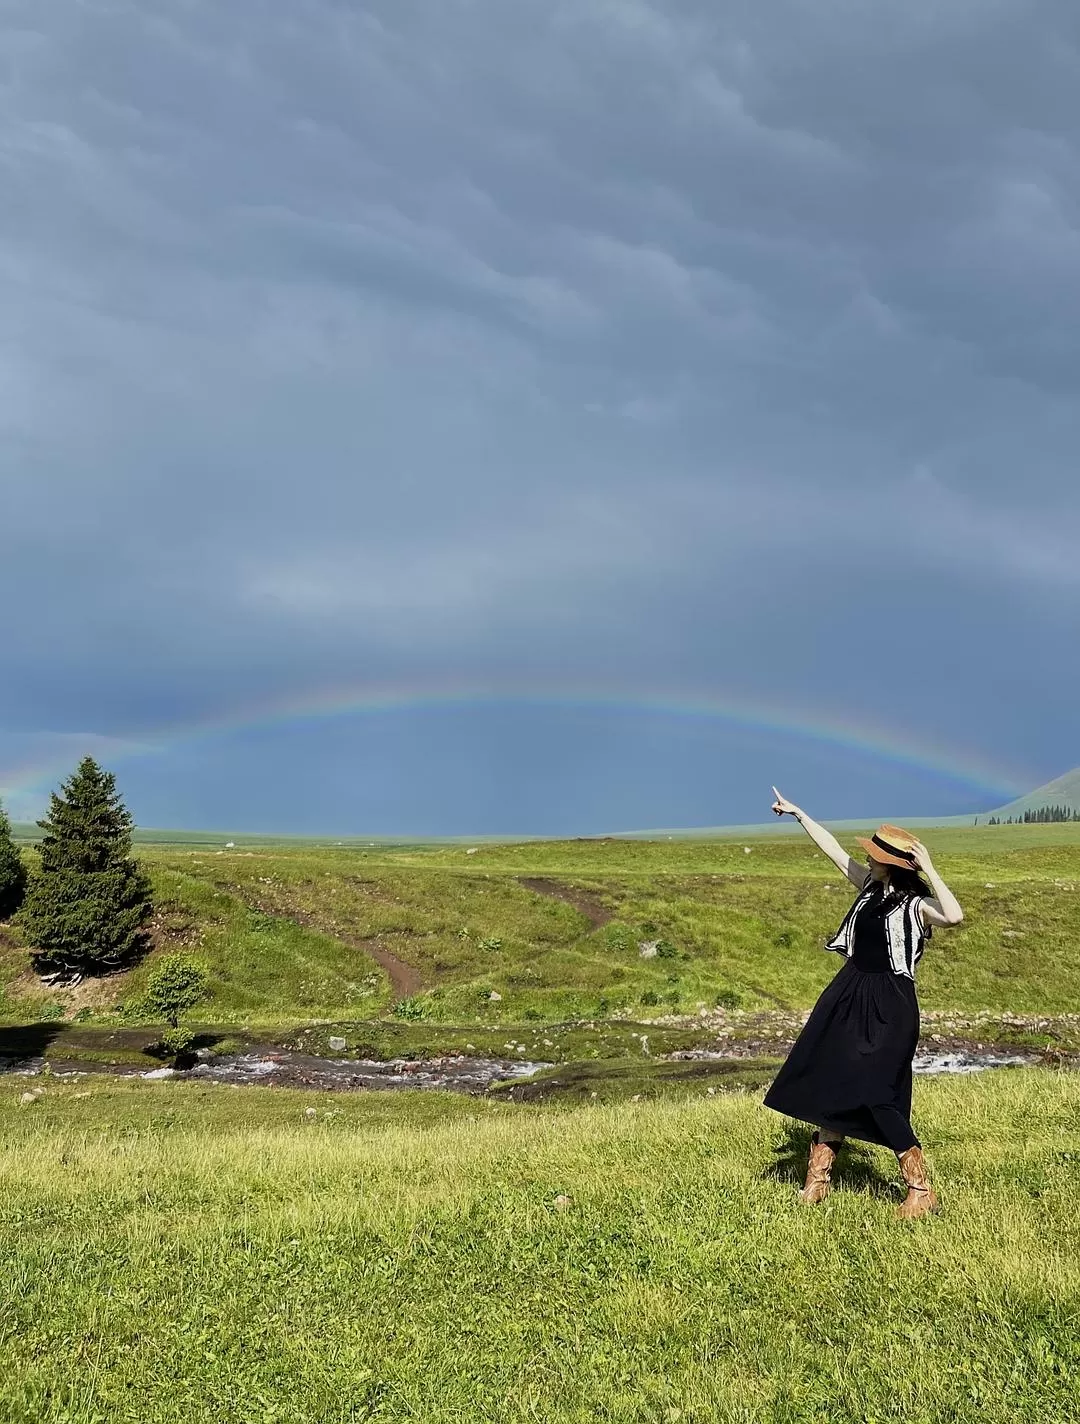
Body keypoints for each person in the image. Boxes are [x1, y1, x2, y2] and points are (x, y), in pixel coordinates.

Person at [764, 789, 964, 1219]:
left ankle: (920, 1188)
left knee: (877, 1091)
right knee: (836, 1080)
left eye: (875, 855)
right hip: (849, 993)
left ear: (892, 863)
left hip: (891, 1004)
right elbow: (834, 851)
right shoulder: (870, 887)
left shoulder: (917, 904)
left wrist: (928, 865)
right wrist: (800, 814)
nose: (868, 859)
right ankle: (817, 1180)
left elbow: (955, 915)